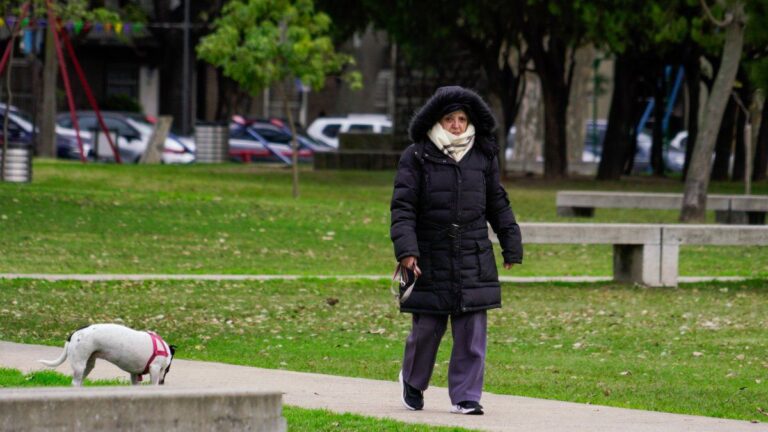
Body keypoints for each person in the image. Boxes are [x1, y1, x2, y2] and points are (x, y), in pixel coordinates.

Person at [390, 85, 523, 415]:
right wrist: (407, 251)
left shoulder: (484, 155)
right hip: (430, 257)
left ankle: (467, 397)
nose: (456, 125)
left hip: (474, 257)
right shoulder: (416, 156)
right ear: (438, 120)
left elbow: (497, 202)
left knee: (471, 334)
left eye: (462, 118)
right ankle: (413, 381)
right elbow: (403, 208)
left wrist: (511, 243)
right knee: (426, 331)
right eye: (450, 118)